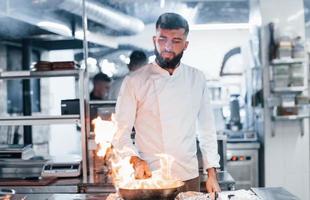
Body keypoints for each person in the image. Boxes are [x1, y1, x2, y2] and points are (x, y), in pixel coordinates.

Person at [112, 12, 220, 195]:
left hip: (188, 175)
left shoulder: (196, 78)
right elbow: (120, 133)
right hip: (150, 179)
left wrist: (211, 174)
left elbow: (207, 129)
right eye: (163, 39)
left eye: (176, 41)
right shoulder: (134, 81)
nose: (168, 47)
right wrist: (135, 160)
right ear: (155, 40)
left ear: (186, 45)